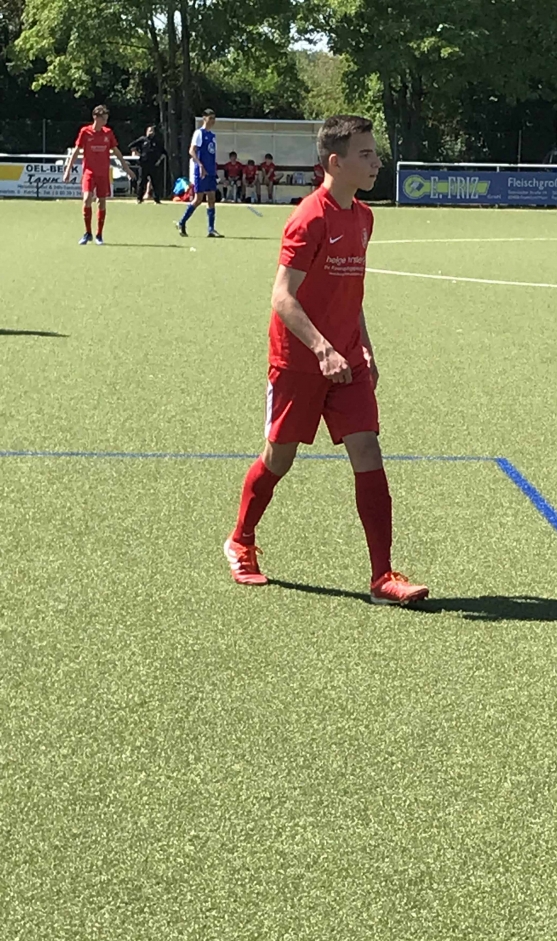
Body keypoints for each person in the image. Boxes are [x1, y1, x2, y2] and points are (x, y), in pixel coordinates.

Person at [224, 114, 429, 605]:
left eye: (375, 153)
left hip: (347, 361)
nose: (376, 162)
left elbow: (350, 294)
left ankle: (382, 577)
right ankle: (240, 540)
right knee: (280, 457)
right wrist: (322, 349)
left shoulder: (364, 217)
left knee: (368, 451)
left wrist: (364, 347)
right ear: (335, 162)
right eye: (366, 154)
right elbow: (282, 296)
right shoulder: (309, 218)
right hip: (300, 360)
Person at [62, 104, 135, 245]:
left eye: (106, 119)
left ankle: (99, 235)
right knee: (87, 199)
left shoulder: (108, 133)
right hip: (89, 172)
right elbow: (76, 151)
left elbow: (116, 152)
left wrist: (127, 168)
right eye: (103, 119)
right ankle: (87, 233)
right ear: (96, 117)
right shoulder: (85, 132)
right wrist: (68, 170)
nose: (105, 122)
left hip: (103, 173)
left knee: (101, 202)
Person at [175, 109, 222, 238]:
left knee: (211, 198)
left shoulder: (212, 136)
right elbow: (192, 151)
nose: (212, 121)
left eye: (214, 118)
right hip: (201, 171)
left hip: (210, 171)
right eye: (210, 118)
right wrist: (200, 165)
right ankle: (181, 222)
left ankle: (211, 229)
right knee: (198, 199)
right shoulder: (199, 133)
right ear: (204, 118)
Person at [128, 124, 168, 204]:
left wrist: (159, 161)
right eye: (149, 131)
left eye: (152, 131)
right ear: (146, 132)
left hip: (154, 165)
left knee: (155, 182)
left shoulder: (157, 141)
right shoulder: (142, 139)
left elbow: (164, 153)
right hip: (143, 164)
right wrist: (136, 152)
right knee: (141, 181)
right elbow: (131, 146)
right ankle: (139, 198)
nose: (151, 132)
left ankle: (157, 200)